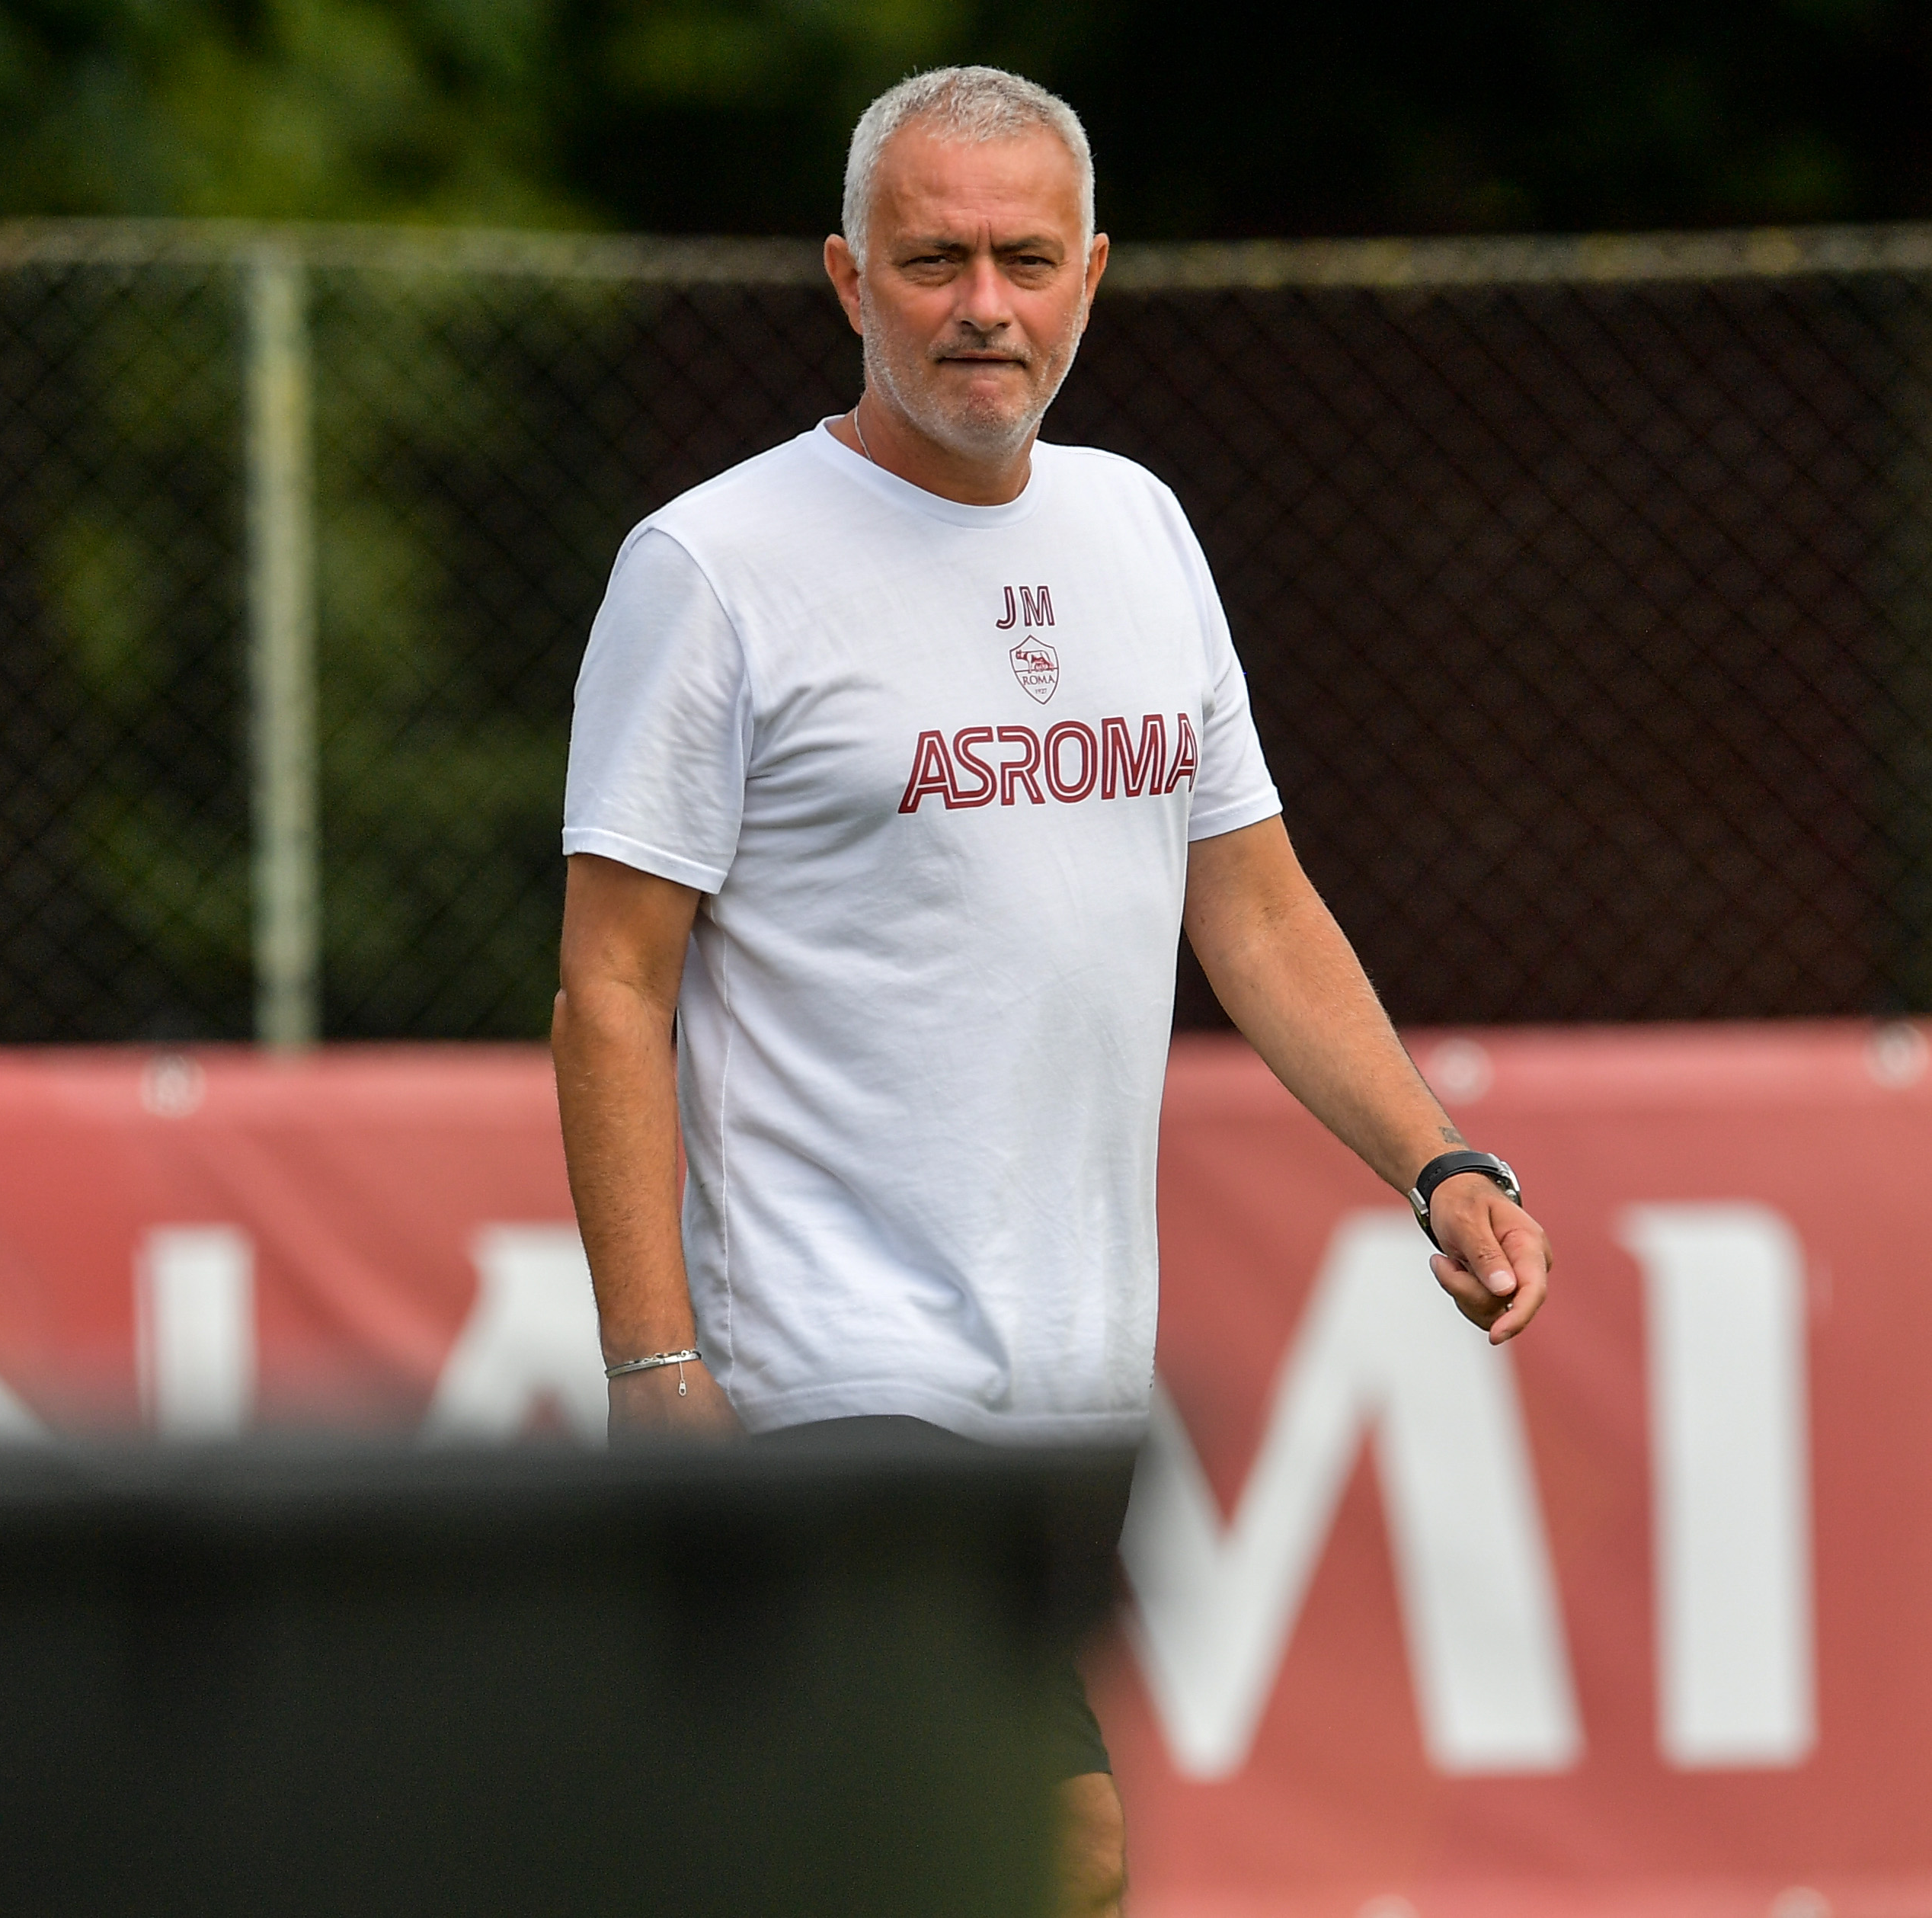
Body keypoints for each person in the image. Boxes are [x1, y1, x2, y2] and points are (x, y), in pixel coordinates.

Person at [550, 63, 1555, 1918]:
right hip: (827, 1372)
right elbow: (611, 987)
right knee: (1055, 1839)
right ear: (848, 279)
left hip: (1066, 1384)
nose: (983, 305)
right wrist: (658, 1363)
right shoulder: (711, 568)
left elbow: (1249, 905)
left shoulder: (1136, 531)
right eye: (934, 260)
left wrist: (1437, 1157)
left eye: (1024, 258)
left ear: (1093, 273)